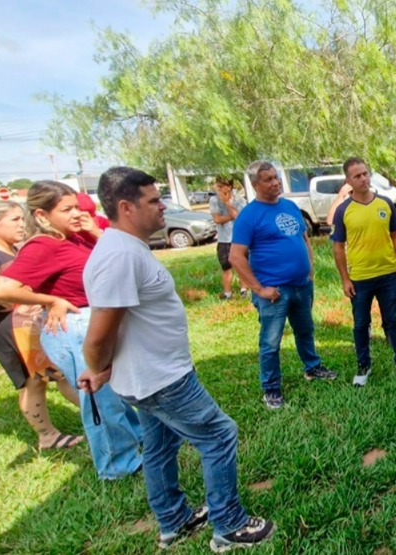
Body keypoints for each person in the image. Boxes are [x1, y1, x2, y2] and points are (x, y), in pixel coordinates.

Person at [78, 166, 274, 550]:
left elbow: (122, 324)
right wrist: (98, 368)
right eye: (154, 200)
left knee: (160, 446)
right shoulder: (119, 256)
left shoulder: (126, 249)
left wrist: (104, 369)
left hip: (148, 377)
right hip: (162, 380)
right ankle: (229, 525)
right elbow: (99, 331)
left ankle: (174, 520)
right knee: (219, 435)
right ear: (126, 207)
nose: (163, 207)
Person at [0, 181, 143, 480]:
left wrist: (94, 232)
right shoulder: (43, 245)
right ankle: (116, 464)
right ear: (42, 216)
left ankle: (135, 439)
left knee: (117, 390)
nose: (76, 214)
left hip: (97, 319)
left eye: (77, 207)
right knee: (99, 397)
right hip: (74, 328)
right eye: (66, 209)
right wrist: (51, 299)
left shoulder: (75, 237)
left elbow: (118, 257)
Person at [0, 200, 83, 450]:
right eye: (14, 219)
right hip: (9, 329)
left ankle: (105, 416)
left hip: (24, 327)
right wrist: (12, 299)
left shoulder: (7, 249)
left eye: (21, 218)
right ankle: (48, 436)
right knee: (35, 381)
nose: (21, 224)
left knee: (54, 376)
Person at [229, 161, 336, 409]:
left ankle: (313, 367)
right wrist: (259, 289)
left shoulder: (289, 206)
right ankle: (271, 387)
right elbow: (236, 257)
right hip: (274, 292)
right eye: (268, 179)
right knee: (270, 342)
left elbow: (303, 237)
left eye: (276, 177)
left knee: (305, 330)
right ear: (255, 184)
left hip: (301, 285)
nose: (275, 182)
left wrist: (310, 268)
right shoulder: (249, 215)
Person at [331, 157, 396, 387]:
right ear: (348, 180)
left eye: (365, 173)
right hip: (360, 279)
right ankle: (363, 365)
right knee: (360, 324)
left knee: (394, 320)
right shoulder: (343, 210)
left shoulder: (385, 204)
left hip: (388, 275)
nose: (363, 179)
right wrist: (345, 279)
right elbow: (338, 247)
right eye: (357, 176)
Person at [209, 177, 247, 299]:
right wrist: (233, 215)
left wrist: (227, 204)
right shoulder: (214, 200)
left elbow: (241, 218)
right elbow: (217, 219)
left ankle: (244, 290)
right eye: (217, 186)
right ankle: (227, 293)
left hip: (239, 238)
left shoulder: (239, 200)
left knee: (242, 265)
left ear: (228, 187)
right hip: (224, 239)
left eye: (220, 186)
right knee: (226, 267)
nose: (218, 189)